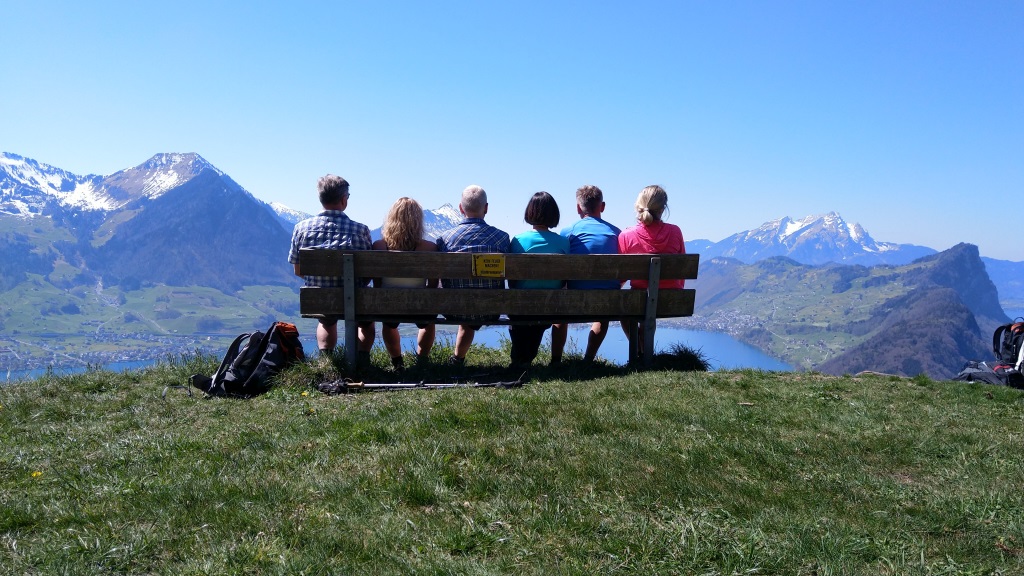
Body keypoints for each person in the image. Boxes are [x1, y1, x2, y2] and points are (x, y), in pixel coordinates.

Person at [287, 174, 375, 361]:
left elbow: (298, 270)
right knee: (366, 323)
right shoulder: (361, 230)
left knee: (326, 320)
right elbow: (369, 272)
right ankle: (363, 361)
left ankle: (326, 360)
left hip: (320, 299)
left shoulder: (301, 229)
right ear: (344, 199)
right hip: (358, 299)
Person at [435, 185, 510, 365]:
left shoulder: (445, 239)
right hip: (490, 309)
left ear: (461, 208)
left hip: (454, 309)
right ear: (486, 208)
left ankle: (457, 360)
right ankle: (458, 358)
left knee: (464, 294)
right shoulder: (502, 238)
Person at [550, 185, 622, 364]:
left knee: (561, 310)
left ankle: (556, 361)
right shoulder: (616, 233)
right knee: (603, 314)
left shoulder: (568, 231)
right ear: (602, 206)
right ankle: (588, 360)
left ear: (578, 208)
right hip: (607, 300)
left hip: (574, 297)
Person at [617, 185, 685, 356]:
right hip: (670, 300)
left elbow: (620, 276)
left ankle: (639, 350)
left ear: (638, 206)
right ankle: (644, 352)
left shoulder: (626, 235)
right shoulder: (675, 232)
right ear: (663, 209)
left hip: (638, 300)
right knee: (649, 308)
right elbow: (682, 270)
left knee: (624, 308)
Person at [372, 197, 439, 370]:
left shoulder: (379, 246)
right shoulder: (430, 248)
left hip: (388, 305)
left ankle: (397, 362)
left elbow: (377, 284)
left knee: (388, 324)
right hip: (420, 305)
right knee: (428, 322)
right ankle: (422, 361)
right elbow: (433, 285)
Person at [508, 192, 570, 368]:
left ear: (530, 212)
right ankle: (527, 358)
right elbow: (565, 279)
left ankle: (521, 359)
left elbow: (512, 280)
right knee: (533, 330)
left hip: (522, 307)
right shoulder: (563, 243)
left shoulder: (518, 241)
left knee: (519, 320)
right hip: (551, 307)